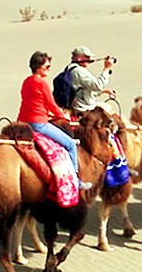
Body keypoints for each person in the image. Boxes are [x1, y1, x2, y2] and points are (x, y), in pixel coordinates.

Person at [17, 51, 91, 190]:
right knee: (70, 144)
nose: (49, 69)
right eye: (47, 66)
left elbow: (34, 103)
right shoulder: (42, 83)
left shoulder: (26, 81)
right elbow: (51, 104)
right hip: (38, 124)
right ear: (38, 67)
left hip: (22, 122)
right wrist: (63, 116)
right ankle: (75, 179)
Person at [68, 46, 117, 116]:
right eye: (87, 57)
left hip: (77, 107)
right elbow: (98, 86)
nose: (89, 59)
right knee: (112, 119)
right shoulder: (79, 71)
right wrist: (106, 68)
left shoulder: (70, 68)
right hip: (84, 110)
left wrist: (104, 91)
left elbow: (83, 92)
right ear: (79, 58)